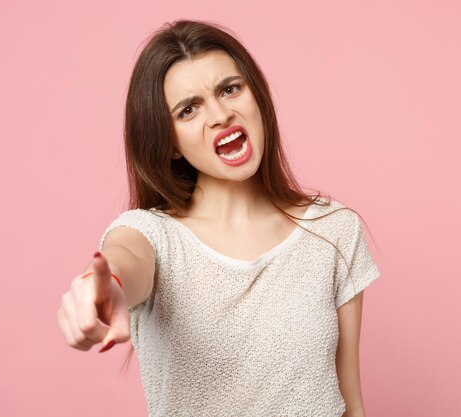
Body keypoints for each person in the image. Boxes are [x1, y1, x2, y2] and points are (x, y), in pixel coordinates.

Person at [56, 19, 381, 417]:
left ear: (256, 97)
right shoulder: (152, 235)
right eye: (188, 109)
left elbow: (351, 405)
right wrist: (103, 289)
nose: (220, 115)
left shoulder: (334, 230)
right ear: (169, 143)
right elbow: (126, 259)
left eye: (229, 89)